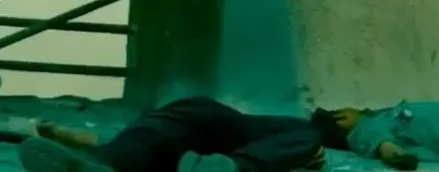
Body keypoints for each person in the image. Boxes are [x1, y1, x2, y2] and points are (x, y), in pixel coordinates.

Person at [15, 96, 325, 172]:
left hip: (162, 144)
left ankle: (101, 164)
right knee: (308, 134)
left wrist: (58, 133)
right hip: (205, 135)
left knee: (131, 147)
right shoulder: (299, 131)